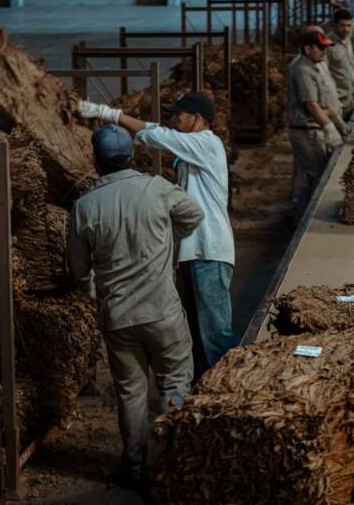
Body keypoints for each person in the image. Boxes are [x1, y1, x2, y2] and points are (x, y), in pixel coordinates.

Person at [66, 125, 204, 492]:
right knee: (175, 380)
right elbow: (193, 215)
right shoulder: (156, 189)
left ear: (96, 161)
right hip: (162, 312)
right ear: (130, 156)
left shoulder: (84, 206)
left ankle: (135, 469)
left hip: (118, 317)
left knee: (130, 391)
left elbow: (77, 270)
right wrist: (166, 240)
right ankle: (175, 464)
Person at [76, 92, 237, 375]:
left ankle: (228, 386)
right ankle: (203, 390)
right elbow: (154, 131)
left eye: (179, 115)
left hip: (209, 249)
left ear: (198, 119)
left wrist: (110, 114)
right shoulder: (192, 145)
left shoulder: (207, 144)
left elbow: (157, 136)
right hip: (194, 250)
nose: (174, 120)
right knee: (196, 331)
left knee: (215, 332)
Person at [287, 31, 349, 215]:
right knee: (317, 172)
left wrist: (337, 121)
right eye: (320, 48)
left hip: (308, 130)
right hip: (306, 131)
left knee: (303, 173)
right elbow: (312, 105)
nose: (324, 52)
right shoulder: (303, 70)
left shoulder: (312, 66)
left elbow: (321, 103)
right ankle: (309, 214)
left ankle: (299, 210)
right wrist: (329, 128)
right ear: (307, 49)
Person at [326, 9, 354, 119]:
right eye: (342, 25)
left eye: (349, 26)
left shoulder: (347, 41)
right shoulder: (327, 46)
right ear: (334, 25)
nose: (346, 29)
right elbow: (323, 76)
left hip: (349, 99)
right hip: (337, 103)